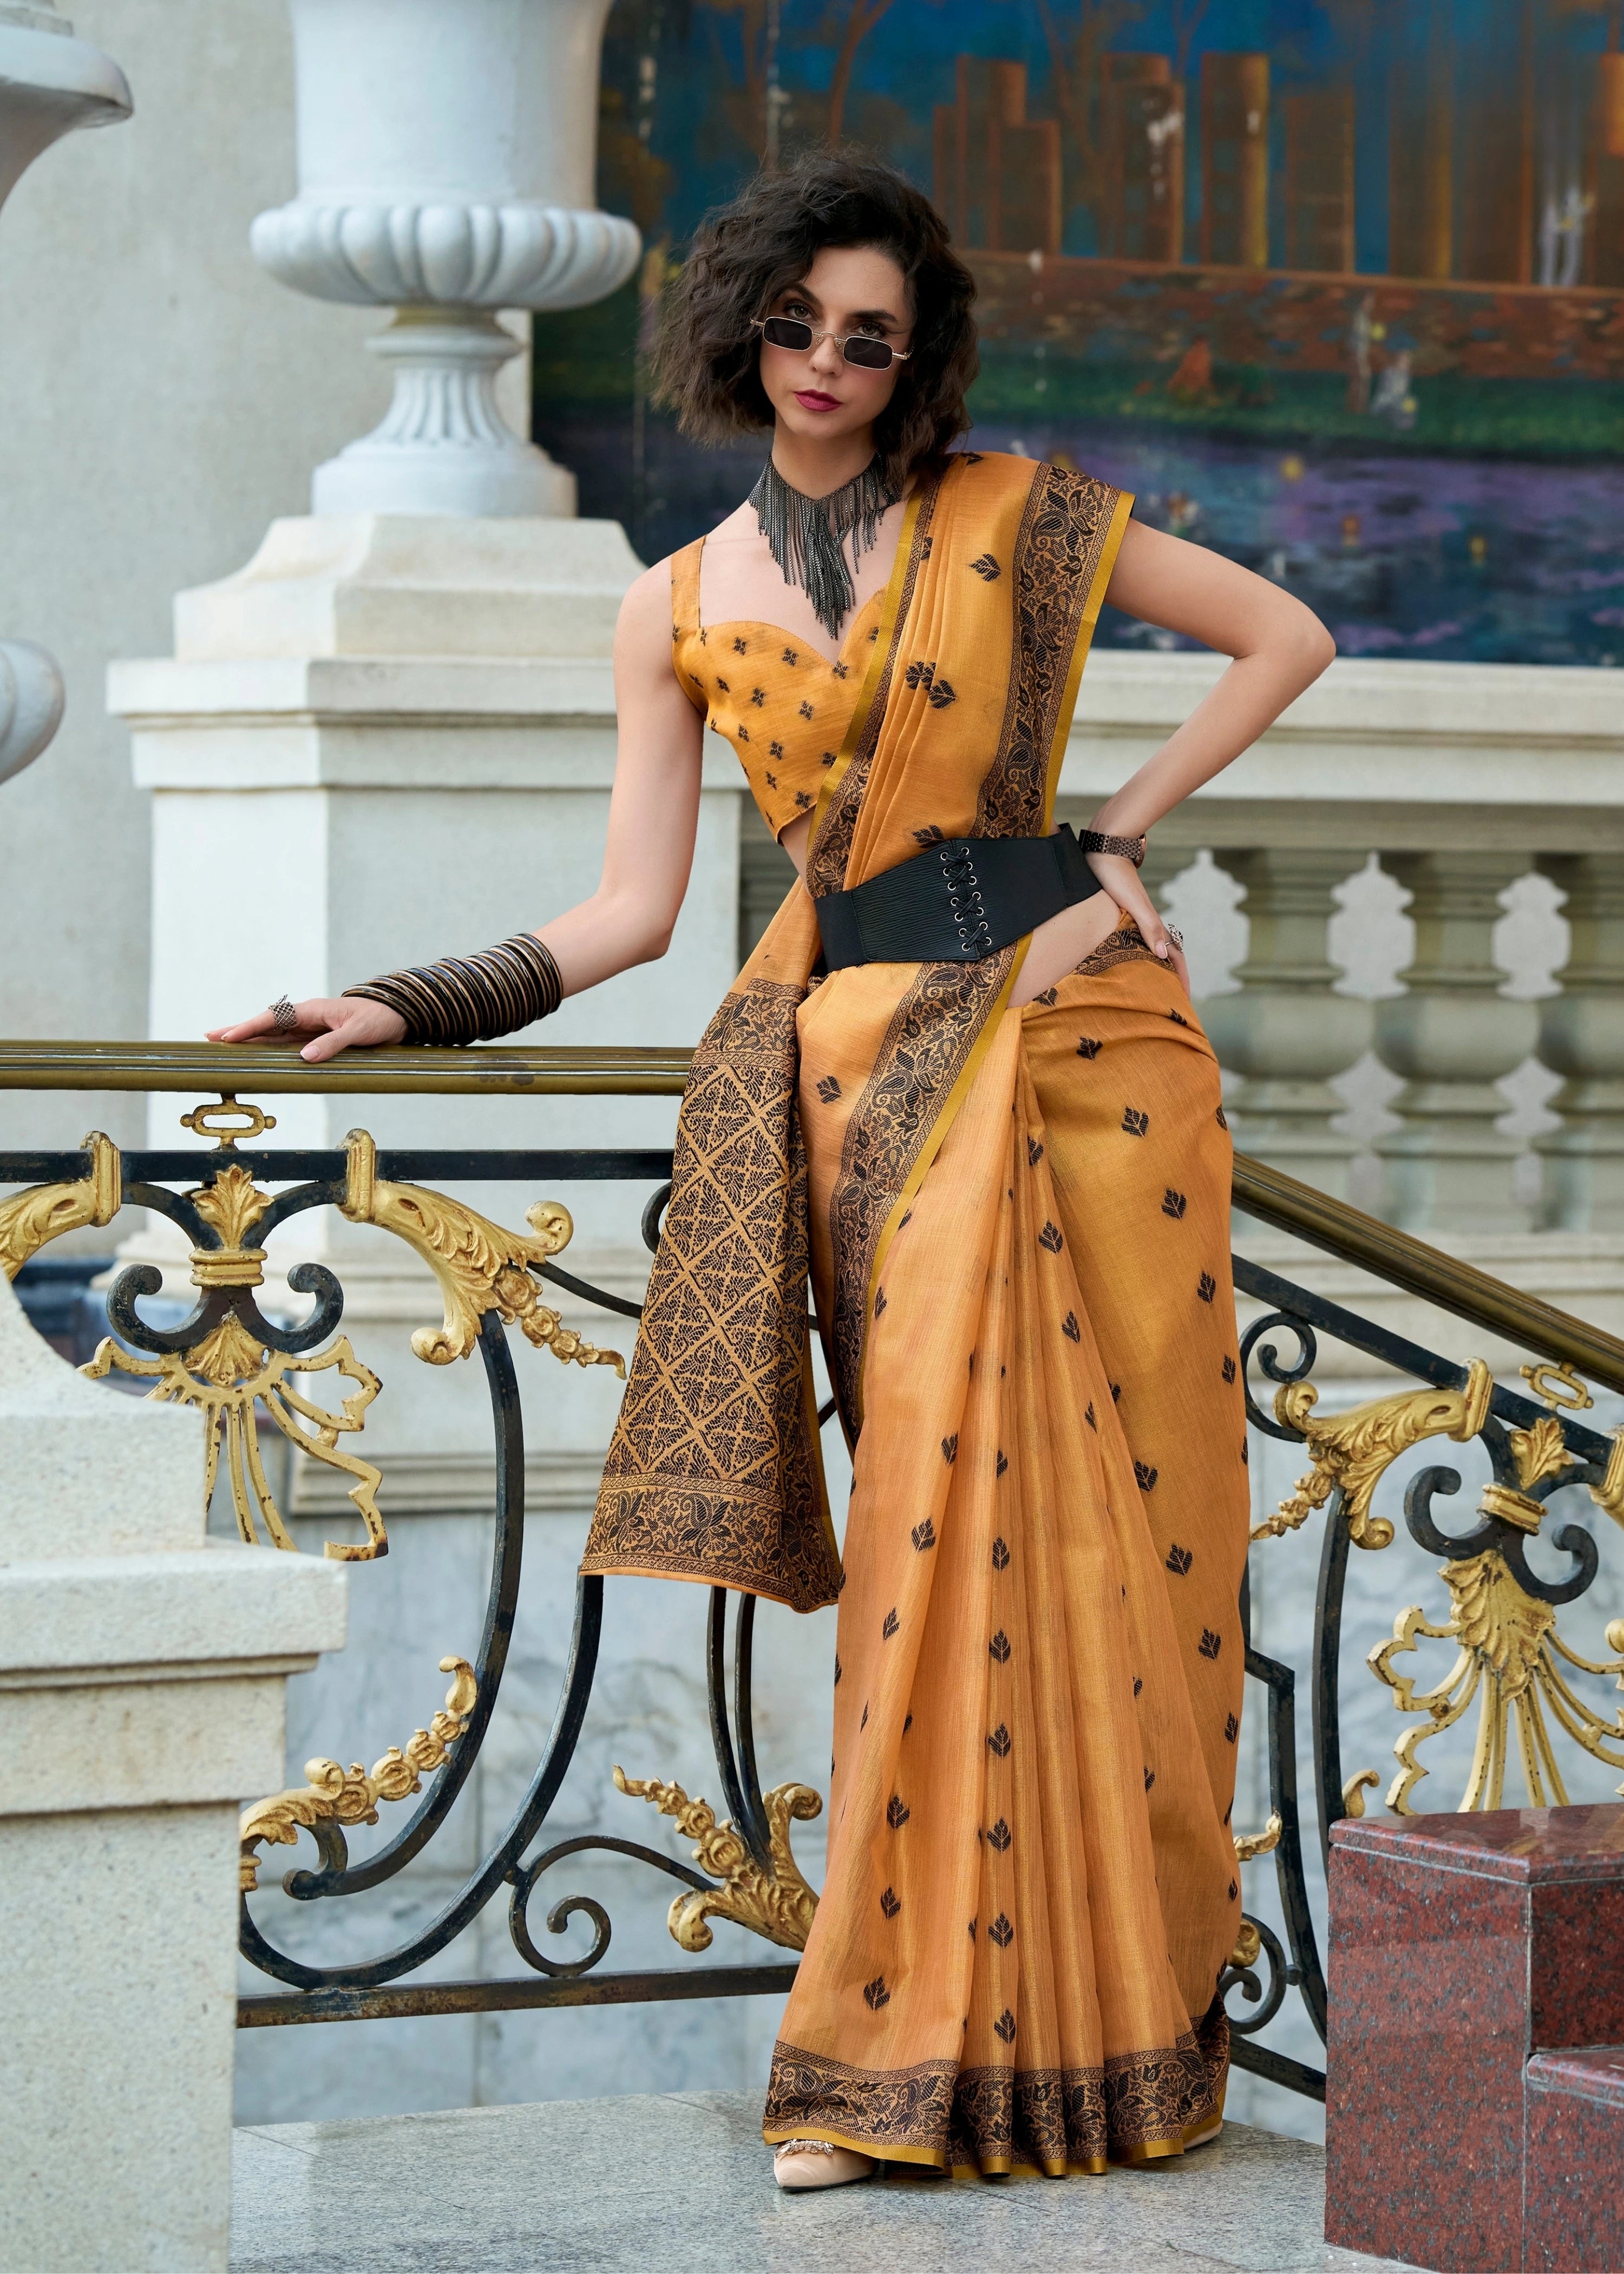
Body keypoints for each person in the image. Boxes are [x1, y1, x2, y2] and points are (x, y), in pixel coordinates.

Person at [212, 149, 1334, 2189]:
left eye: (870, 338)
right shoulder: (671, 605)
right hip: (865, 1085)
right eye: (797, 324)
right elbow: (631, 911)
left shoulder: (1018, 516)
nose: (826, 362)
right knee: (932, 1554)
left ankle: (1115, 2053)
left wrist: (1113, 834)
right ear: (742, 332)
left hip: (1086, 1049)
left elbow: (1285, 635)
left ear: (920, 361)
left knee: (1133, 1554)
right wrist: (402, 1000)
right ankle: (886, 2060)